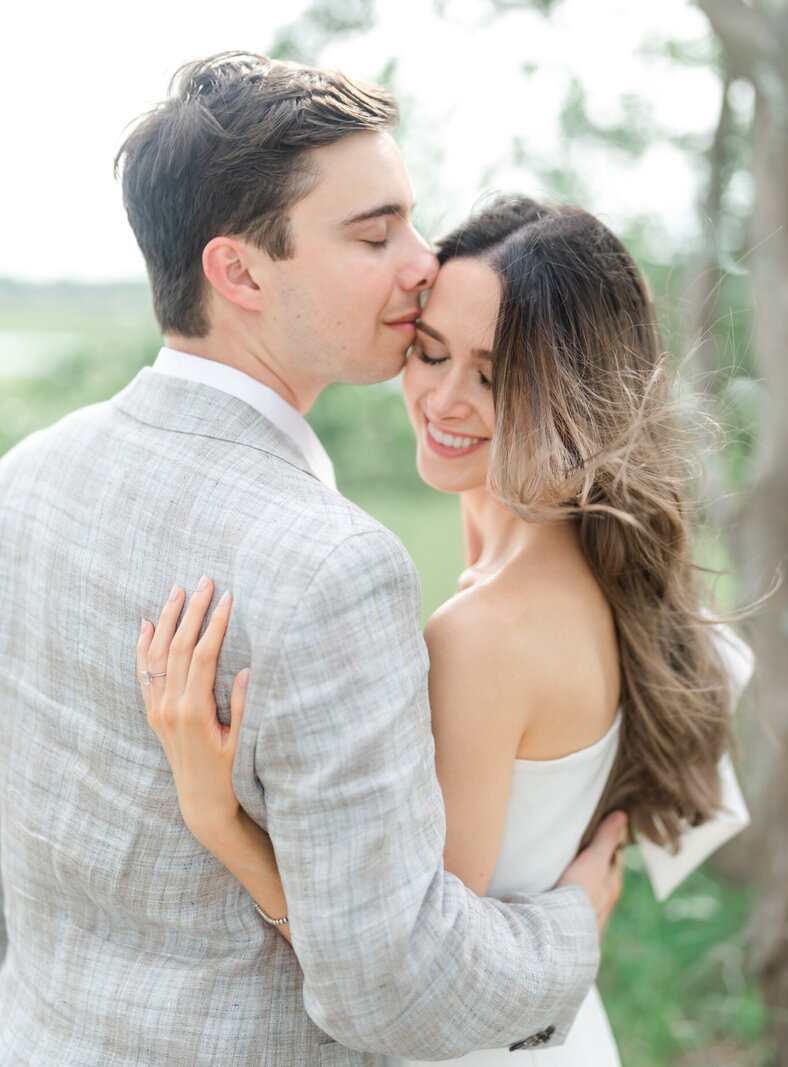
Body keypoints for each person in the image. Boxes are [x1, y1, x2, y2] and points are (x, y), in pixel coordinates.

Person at [0, 54, 625, 1066]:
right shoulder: (333, 566)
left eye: (412, 222)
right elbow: (395, 990)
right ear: (238, 271)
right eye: (374, 233)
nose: (423, 263)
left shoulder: (26, 476)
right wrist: (573, 923)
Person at [138, 196, 741, 1065]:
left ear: (573, 392)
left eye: (495, 376)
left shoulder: (488, 632)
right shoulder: (586, 556)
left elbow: (418, 978)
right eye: (430, 352)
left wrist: (217, 814)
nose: (445, 399)